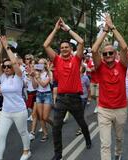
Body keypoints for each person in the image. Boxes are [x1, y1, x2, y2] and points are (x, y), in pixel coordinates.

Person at [43, 17, 91, 160]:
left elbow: (81, 42)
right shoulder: (56, 60)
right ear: (60, 50)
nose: (64, 49)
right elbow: (46, 45)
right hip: (62, 99)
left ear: (71, 49)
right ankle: (58, 154)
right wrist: (56, 29)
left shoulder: (76, 59)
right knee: (57, 126)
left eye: (67, 47)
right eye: (62, 48)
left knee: (81, 122)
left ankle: (87, 138)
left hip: (75, 98)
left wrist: (67, 29)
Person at [91, 14, 128, 160]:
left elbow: (124, 46)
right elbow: (94, 50)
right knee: (105, 144)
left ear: (115, 54)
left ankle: (118, 153)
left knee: (119, 138)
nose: (107, 55)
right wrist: (105, 31)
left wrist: (112, 27)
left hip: (120, 109)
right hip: (104, 110)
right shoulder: (100, 67)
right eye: (105, 53)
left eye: (110, 53)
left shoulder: (123, 65)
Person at [0, 36, 31, 160]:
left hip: (19, 111)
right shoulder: (3, 77)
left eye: (8, 66)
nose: (6, 68)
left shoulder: (19, 76)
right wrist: (0, 47)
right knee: (0, 136)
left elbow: (14, 62)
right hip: (5, 112)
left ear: (14, 68)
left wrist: (7, 47)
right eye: (4, 66)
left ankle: (27, 151)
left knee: (23, 132)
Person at [30, 58, 53, 142]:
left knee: (45, 117)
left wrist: (38, 77)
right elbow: (35, 86)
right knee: (41, 117)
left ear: (45, 65)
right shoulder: (36, 73)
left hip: (47, 94)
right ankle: (45, 134)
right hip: (39, 95)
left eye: (42, 63)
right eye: (38, 63)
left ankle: (54, 125)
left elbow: (44, 85)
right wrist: (33, 78)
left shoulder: (49, 73)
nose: (39, 65)